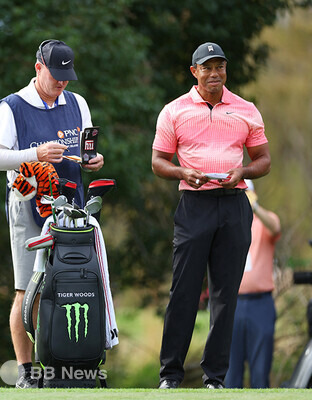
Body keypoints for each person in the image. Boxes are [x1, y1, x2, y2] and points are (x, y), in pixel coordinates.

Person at [152, 42, 271, 389]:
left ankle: (214, 377)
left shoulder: (246, 109)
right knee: (184, 291)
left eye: (220, 66)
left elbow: (263, 159)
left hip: (234, 203)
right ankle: (170, 374)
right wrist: (182, 173)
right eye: (208, 67)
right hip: (194, 205)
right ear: (195, 72)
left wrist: (244, 171)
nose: (215, 73)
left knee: (225, 294)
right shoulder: (174, 111)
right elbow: (159, 162)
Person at [0, 39, 104, 388]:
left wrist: (94, 161)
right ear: (38, 68)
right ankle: (28, 372)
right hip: (29, 204)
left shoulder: (77, 103)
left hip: (73, 206)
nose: (62, 82)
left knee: (74, 285)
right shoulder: (12, 106)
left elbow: (88, 152)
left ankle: (66, 366)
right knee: (29, 288)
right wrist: (35, 153)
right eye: (56, 75)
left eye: (67, 76)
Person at [225, 180, 281, 388]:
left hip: (261, 304)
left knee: (259, 372)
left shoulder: (264, 222)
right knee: (231, 373)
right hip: (233, 304)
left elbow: (275, 228)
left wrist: (255, 206)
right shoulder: (227, 223)